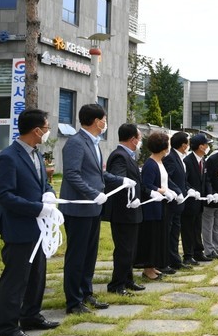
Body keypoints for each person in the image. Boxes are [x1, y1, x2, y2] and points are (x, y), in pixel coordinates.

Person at [0, 108, 60, 336]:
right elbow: (4, 195)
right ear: (36, 130)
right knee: (16, 278)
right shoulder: (8, 157)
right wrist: (36, 208)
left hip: (38, 228)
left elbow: (43, 184)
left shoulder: (37, 154)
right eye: (47, 127)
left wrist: (49, 195)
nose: (48, 132)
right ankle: (7, 328)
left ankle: (30, 315)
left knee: (37, 275)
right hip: (19, 227)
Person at [60, 103, 131, 314]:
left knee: (89, 255)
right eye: (104, 119)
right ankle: (73, 301)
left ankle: (86, 293)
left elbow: (98, 175)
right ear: (96, 121)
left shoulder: (94, 142)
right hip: (79, 208)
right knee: (77, 255)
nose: (106, 123)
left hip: (93, 209)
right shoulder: (76, 142)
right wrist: (93, 194)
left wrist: (121, 180)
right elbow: (72, 175)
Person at [103, 124, 145, 296]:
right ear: (133, 139)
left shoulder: (129, 155)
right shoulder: (119, 156)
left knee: (131, 248)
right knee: (124, 249)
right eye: (140, 138)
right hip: (123, 210)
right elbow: (116, 179)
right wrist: (125, 181)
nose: (140, 141)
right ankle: (117, 284)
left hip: (132, 209)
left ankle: (128, 279)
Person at [138, 131, 177, 280]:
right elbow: (147, 185)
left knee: (160, 236)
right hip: (152, 206)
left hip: (162, 204)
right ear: (163, 147)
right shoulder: (150, 164)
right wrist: (162, 191)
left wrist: (170, 191)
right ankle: (148, 268)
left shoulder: (161, 162)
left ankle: (154, 266)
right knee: (152, 237)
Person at [162, 131, 191, 269]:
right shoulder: (170, 158)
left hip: (180, 202)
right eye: (188, 143)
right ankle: (168, 260)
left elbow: (182, 179)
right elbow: (167, 178)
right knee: (169, 232)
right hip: (172, 202)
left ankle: (175, 260)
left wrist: (188, 189)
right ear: (183, 145)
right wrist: (177, 191)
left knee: (175, 232)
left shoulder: (179, 157)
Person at [181, 134, 209, 264]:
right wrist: (190, 190)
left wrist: (209, 193)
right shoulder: (188, 161)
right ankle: (188, 255)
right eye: (206, 144)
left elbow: (206, 180)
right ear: (200, 146)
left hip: (200, 201)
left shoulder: (203, 160)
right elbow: (184, 181)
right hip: (190, 201)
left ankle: (198, 251)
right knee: (188, 229)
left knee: (197, 227)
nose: (208, 146)